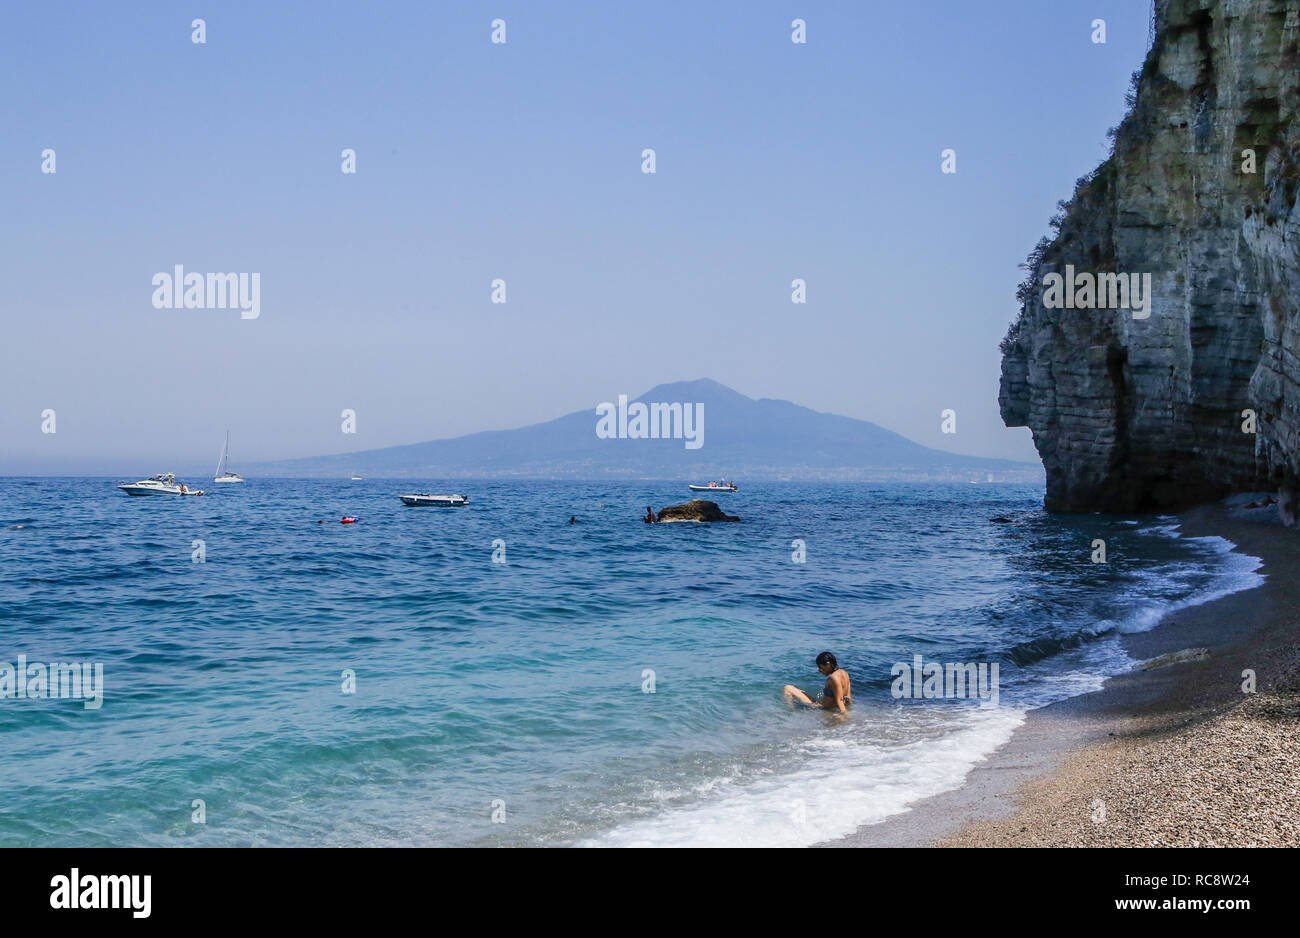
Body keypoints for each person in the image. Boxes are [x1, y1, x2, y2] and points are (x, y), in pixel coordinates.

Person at [783, 651, 851, 713]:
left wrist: (844, 716)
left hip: (819, 707)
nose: (819, 670)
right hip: (827, 706)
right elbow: (848, 697)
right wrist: (849, 710)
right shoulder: (845, 673)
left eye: (820, 667)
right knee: (799, 691)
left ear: (828, 664)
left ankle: (789, 712)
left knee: (788, 688)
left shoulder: (834, 677)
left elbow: (840, 700)